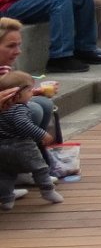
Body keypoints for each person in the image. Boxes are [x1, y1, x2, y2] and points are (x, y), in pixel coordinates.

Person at [0, 73, 64, 210]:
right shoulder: (19, 108)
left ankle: (7, 199)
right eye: (29, 91)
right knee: (40, 168)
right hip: (22, 145)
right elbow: (23, 124)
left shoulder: (2, 109)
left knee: (5, 174)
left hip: (2, 147)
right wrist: (42, 134)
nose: (31, 94)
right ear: (17, 95)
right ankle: (48, 191)